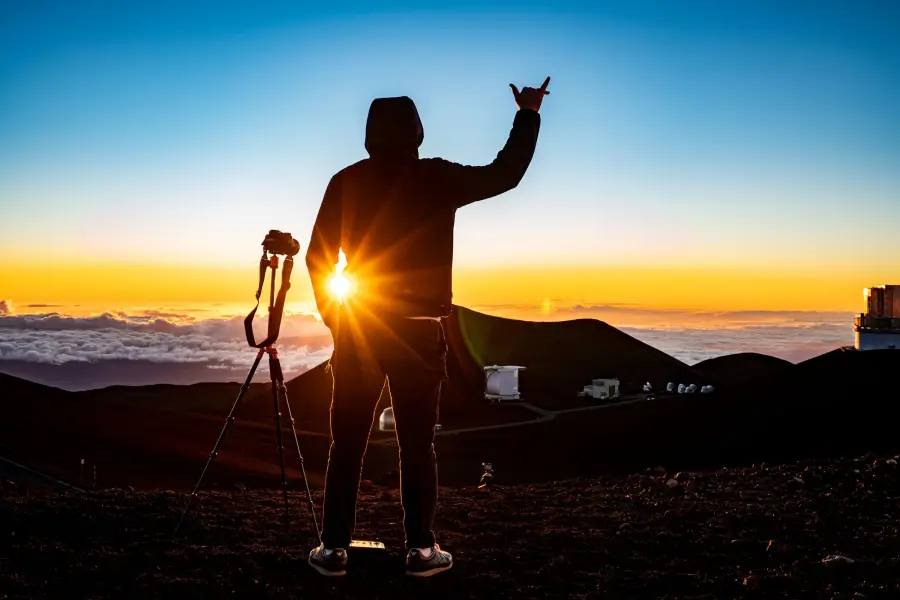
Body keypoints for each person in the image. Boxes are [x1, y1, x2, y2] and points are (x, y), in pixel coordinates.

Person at [305, 77, 550, 577]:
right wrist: (527, 113)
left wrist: (338, 322)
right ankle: (421, 551)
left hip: (360, 327)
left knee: (347, 440)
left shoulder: (346, 181)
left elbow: (318, 259)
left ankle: (332, 551)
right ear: (417, 131)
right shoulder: (436, 178)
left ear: (370, 133)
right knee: (418, 443)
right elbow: (506, 173)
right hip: (419, 332)